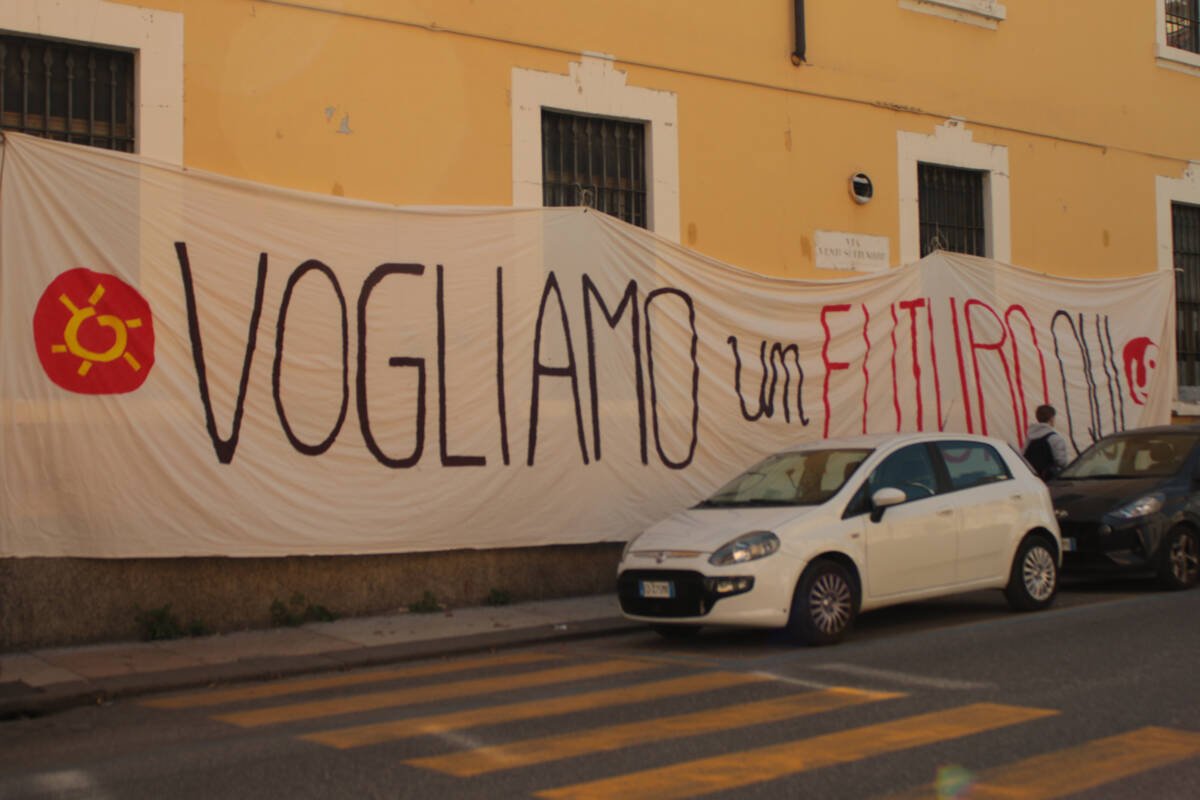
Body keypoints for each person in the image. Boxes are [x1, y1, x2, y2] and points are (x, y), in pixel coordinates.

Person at [1024, 404, 1069, 479]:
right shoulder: (1055, 438)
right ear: (1051, 418)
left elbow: (1023, 456)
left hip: (1033, 478)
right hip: (1050, 479)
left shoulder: (1029, 438)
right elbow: (1062, 462)